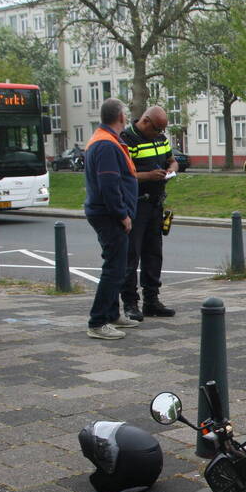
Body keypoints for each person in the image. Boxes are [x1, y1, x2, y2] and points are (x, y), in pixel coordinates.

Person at [84, 98, 138, 340]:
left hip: (104, 211)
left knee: (116, 263)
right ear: (121, 117)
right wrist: (122, 214)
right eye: (125, 113)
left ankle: (113, 314)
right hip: (108, 213)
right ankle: (98, 321)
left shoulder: (104, 139)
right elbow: (109, 184)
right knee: (114, 268)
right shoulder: (106, 145)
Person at [119, 106, 178, 321]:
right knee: (132, 255)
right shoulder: (127, 139)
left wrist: (172, 167)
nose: (159, 133)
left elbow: (172, 159)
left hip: (155, 204)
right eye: (156, 129)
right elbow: (125, 174)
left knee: (154, 254)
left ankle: (151, 301)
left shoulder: (160, 138)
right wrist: (148, 176)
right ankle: (130, 303)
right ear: (145, 122)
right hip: (136, 205)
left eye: (162, 130)